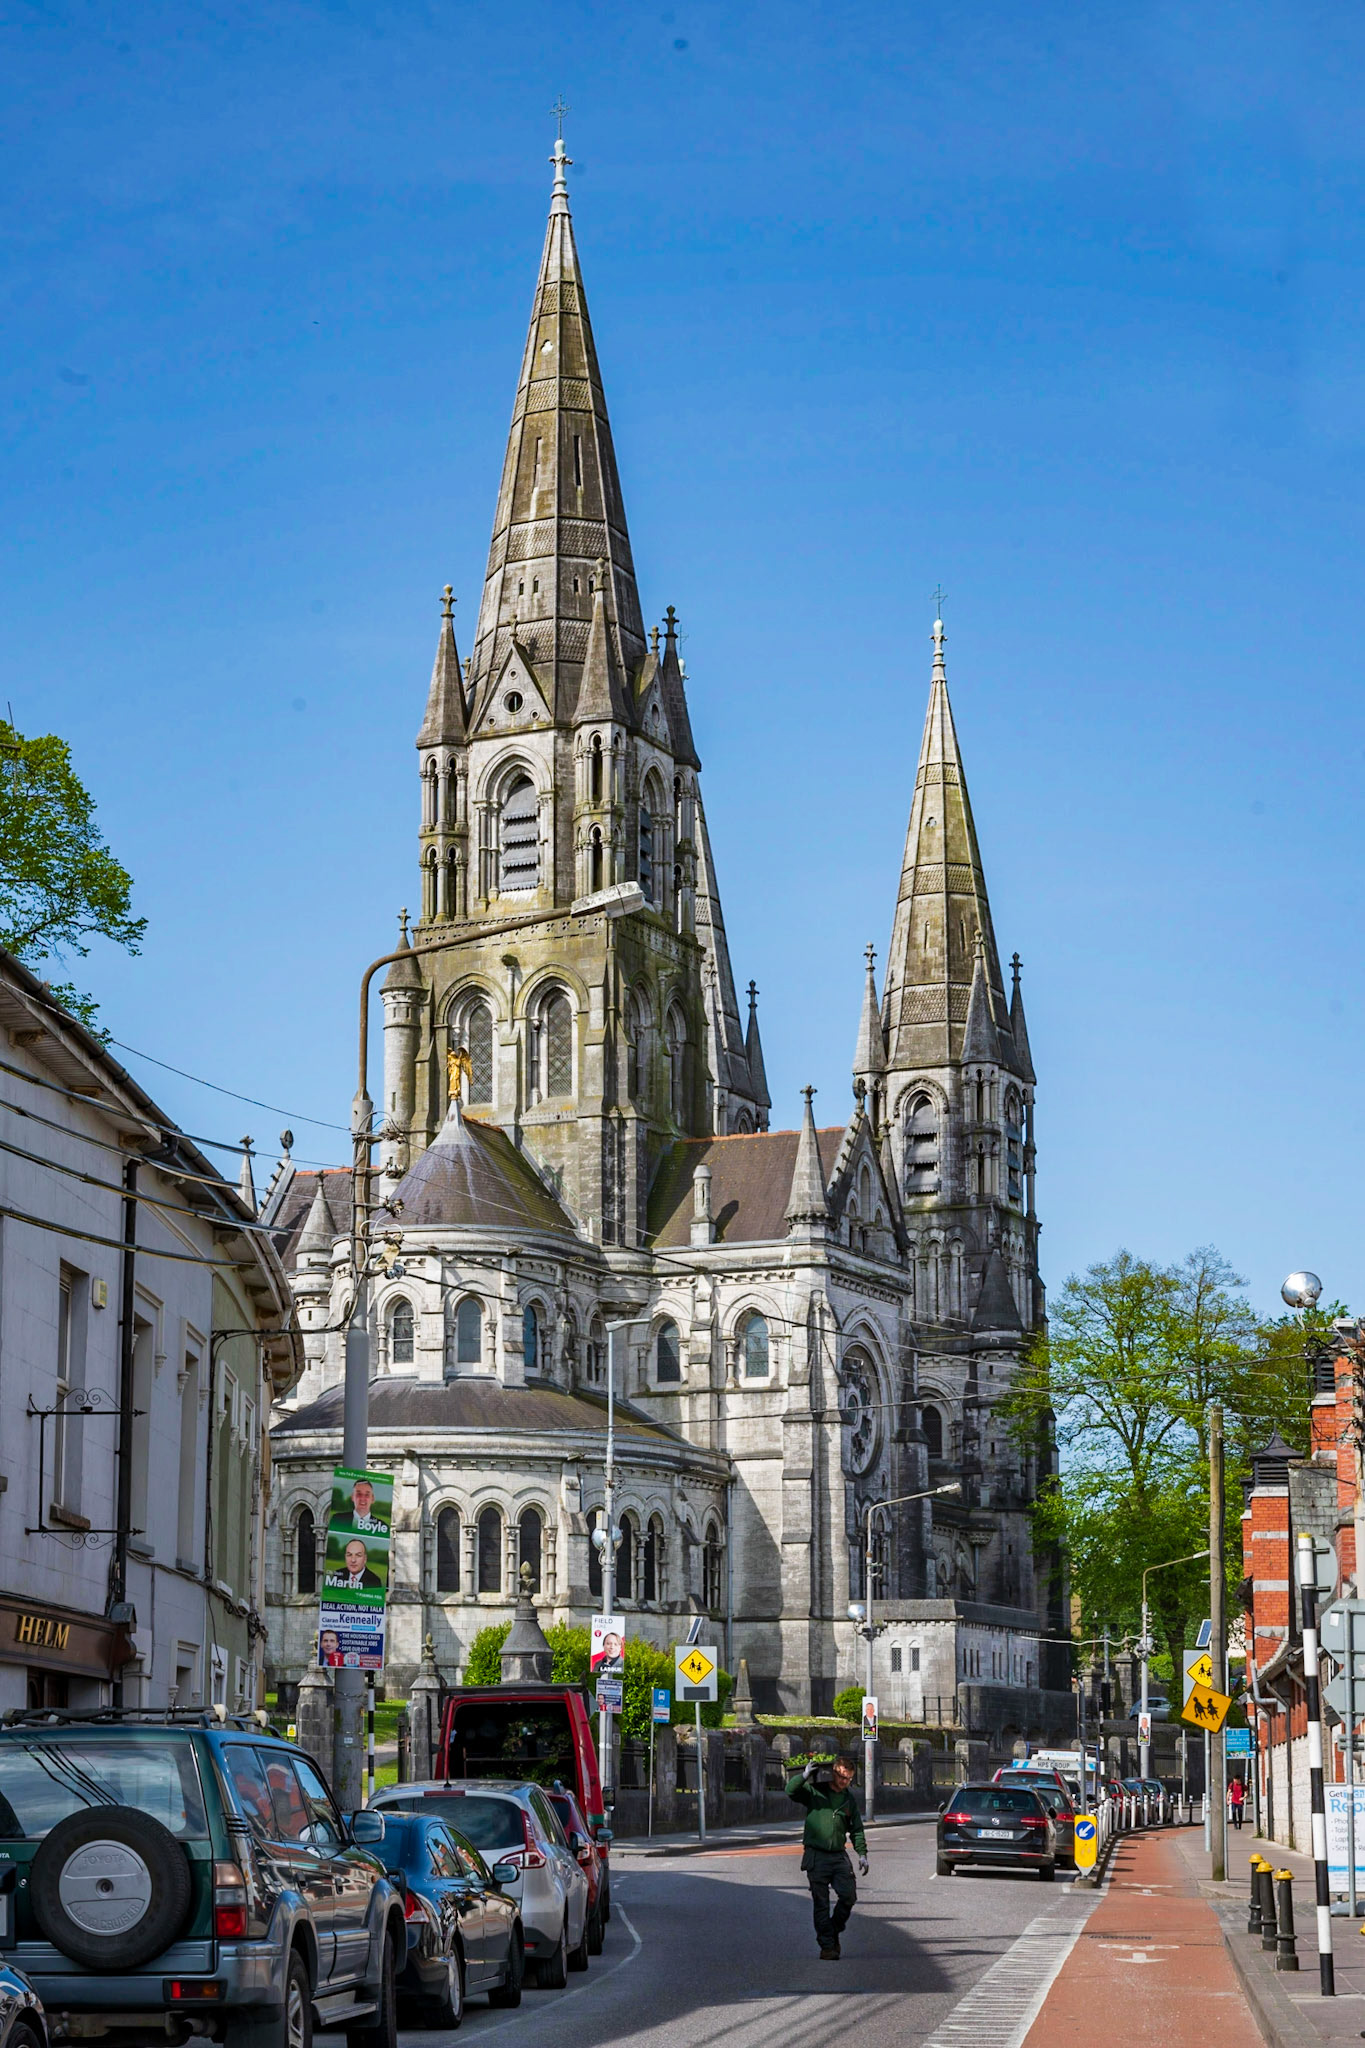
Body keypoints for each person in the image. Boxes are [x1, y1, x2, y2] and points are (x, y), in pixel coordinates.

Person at [787, 1753, 868, 1960]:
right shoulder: (815, 1792)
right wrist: (804, 1775)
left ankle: (832, 1930)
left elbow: (857, 1829)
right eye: (841, 1776)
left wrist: (862, 1854)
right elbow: (791, 1791)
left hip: (838, 1856)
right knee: (821, 1903)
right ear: (833, 1772)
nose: (844, 1781)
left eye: (848, 1778)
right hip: (816, 1856)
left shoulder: (848, 1800)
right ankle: (828, 1946)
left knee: (849, 1896)